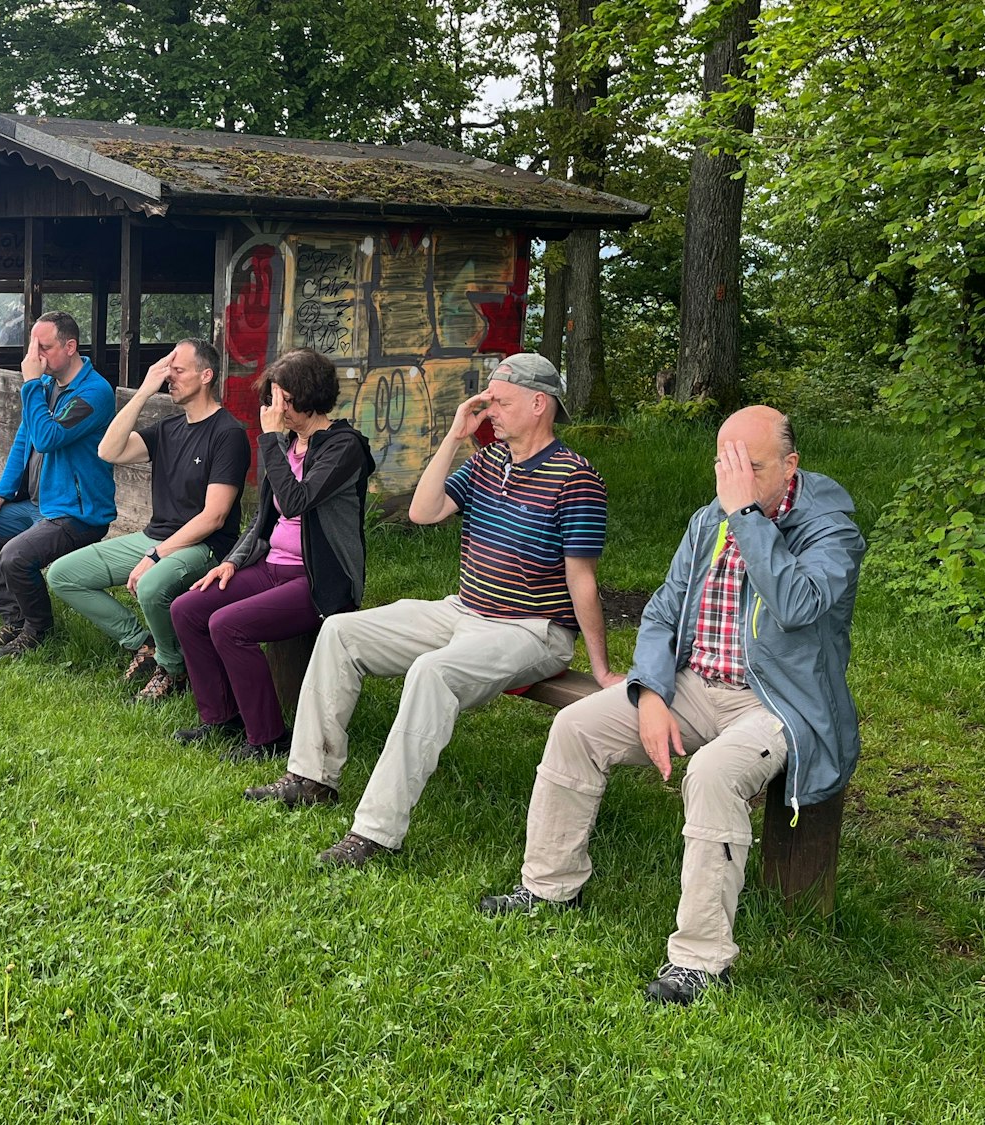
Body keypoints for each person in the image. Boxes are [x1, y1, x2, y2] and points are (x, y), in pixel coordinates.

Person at [482, 406, 865, 1006]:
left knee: (712, 774)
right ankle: (549, 886)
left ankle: (700, 961)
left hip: (778, 705)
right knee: (576, 726)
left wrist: (745, 516)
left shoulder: (831, 531)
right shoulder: (707, 520)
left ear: (791, 467)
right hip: (693, 685)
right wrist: (652, 691)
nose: (731, 479)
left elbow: (797, 605)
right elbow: (663, 611)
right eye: (723, 463)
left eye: (749, 466)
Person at [244, 352, 621, 867]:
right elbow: (424, 512)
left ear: (540, 404)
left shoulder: (576, 477)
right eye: (487, 403)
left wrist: (599, 667)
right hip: (464, 610)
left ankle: (375, 833)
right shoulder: (489, 462)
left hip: (532, 630)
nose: (489, 411)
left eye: (500, 403)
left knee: (431, 673)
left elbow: (583, 580)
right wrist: (455, 436)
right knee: (341, 632)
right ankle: (312, 776)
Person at [169, 348, 373, 759]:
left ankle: (267, 738)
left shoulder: (344, 446)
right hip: (271, 567)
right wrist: (231, 561)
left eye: (280, 397)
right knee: (187, 609)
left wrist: (269, 442)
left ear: (306, 395)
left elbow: (297, 500)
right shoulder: (286, 445)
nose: (272, 407)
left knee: (228, 625)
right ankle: (221, 719)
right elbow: (266, 520)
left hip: (317, 580)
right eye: (271, 397)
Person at [46, 338, 250, 703]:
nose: (169, 378)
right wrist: (142, 393)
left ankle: (172, 668)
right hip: (154, 537)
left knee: (153, 586)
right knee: (63, 575)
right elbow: (108, 451)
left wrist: (156, 556)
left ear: (206, 375)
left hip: (203, 546)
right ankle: (144, 644)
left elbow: (214, 516)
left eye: (179, 370)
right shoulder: (168, 429)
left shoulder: (228, 433)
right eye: (167, 371)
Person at [0, 312, 116, 657]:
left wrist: (29, 385)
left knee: (14, 557)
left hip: (77, 513)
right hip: (38, 505)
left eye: (45, 347)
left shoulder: (95, 392)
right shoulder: (48, 386)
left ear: (70, 347)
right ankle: (17, 619)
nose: (36, 355)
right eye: (33, 346)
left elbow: (49, 436)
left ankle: (38, 630)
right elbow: (25, 439)